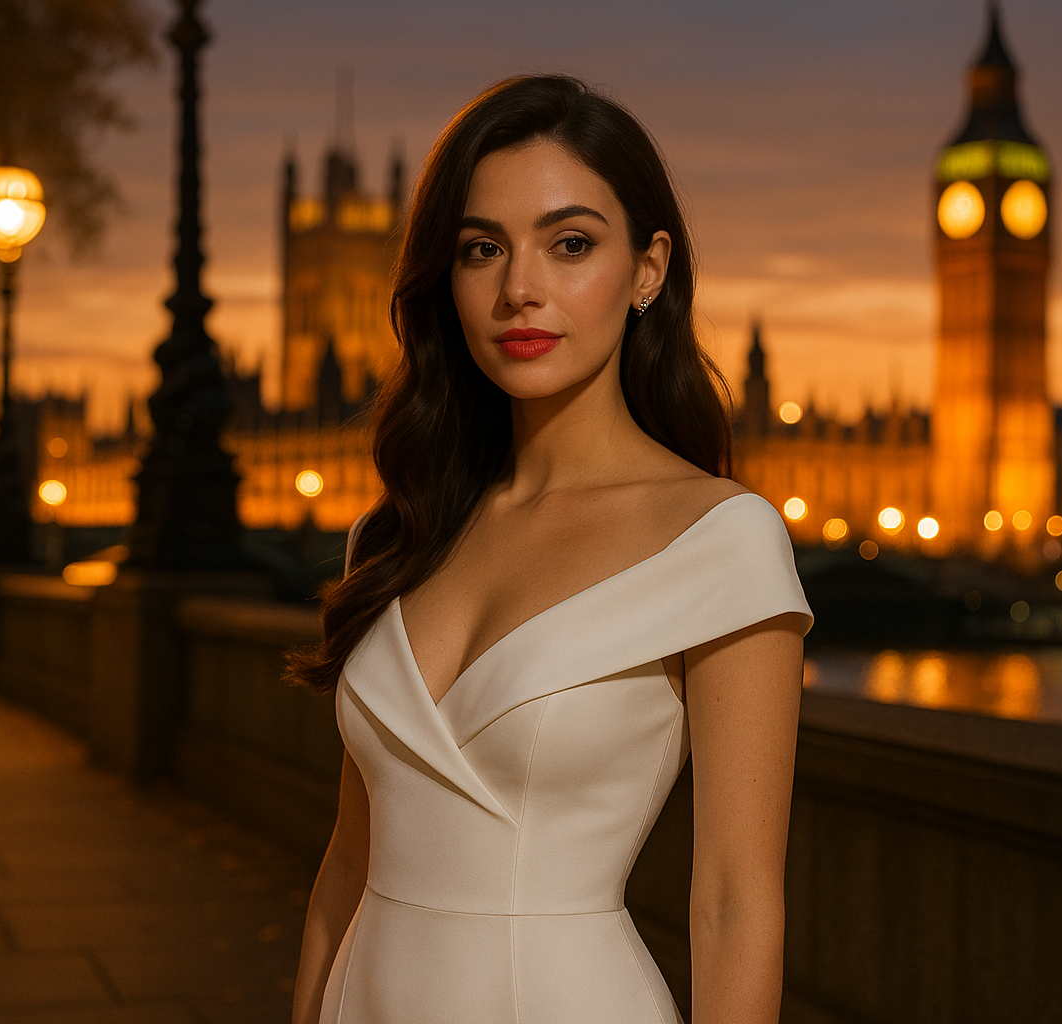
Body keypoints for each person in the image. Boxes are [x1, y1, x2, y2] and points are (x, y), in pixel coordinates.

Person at [289, 74, 812, 1024]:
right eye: (482, 248)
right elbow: (349, 861)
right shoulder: (396, 530)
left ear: (648, 270)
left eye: (570, 244)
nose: (520, 289)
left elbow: (736, 907)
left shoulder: (722, 542)